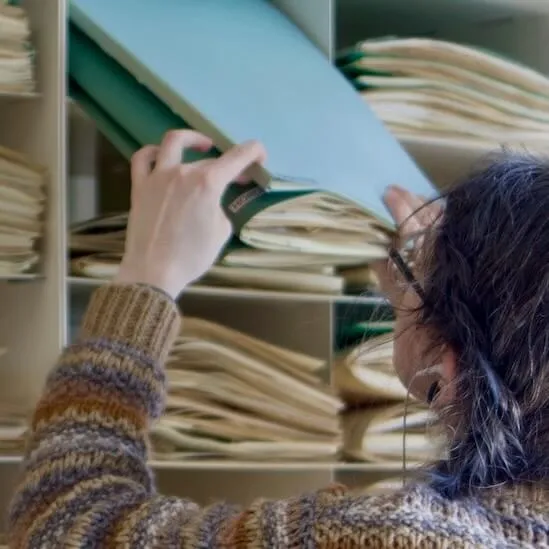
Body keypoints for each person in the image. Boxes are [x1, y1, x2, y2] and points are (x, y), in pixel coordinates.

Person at [7, 129, 549, 548]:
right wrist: (443, 293)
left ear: (449, 369)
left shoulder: (399, 536)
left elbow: (62, 525)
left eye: (415, 281)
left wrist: (146, 276)